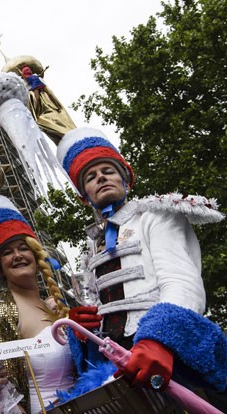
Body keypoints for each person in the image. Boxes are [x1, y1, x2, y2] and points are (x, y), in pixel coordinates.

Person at [56, 127, 227, 409]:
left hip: (168, 354)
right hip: (120, 369)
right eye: (90, 176)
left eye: (108, 170)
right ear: (83, 196)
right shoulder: (92, 248)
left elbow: (183, 284)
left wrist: (158, 340)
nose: (100, 177)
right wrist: (85, 330)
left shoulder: (156, 215)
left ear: (126, 179)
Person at [0, 194, 72, 414]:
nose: (17, 256)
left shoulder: (54, 306)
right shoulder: (3, 311)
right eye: (7, 252)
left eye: (23, 248)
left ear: (35, 254)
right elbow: (2, 391)